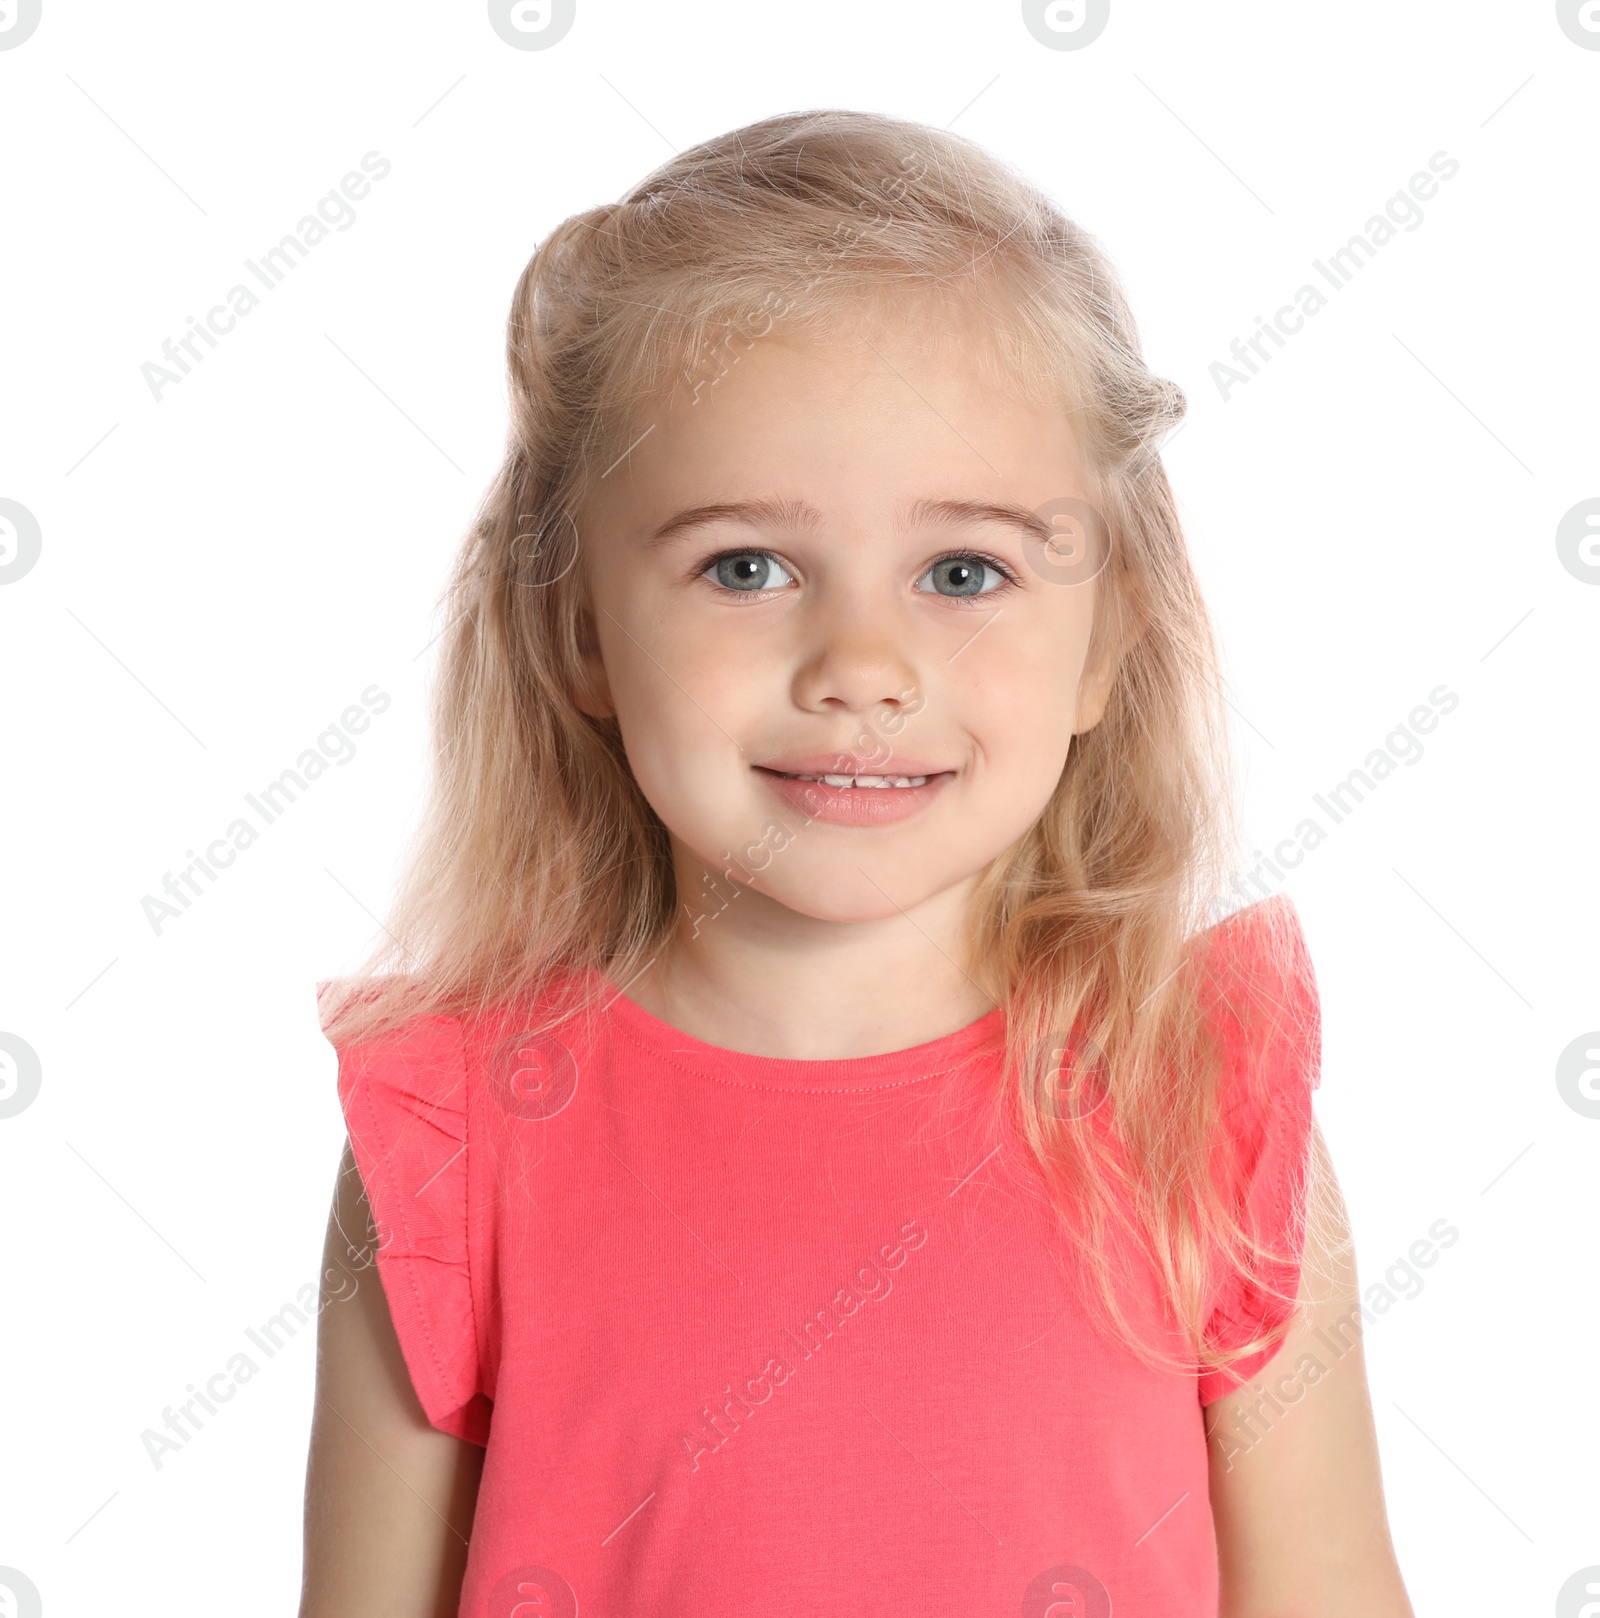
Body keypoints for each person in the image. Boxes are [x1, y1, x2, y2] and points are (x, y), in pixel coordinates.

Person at [298, 108, 1414, 1618]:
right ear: (575, 629)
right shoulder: (456, 1143)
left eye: (967, 570)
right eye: (745, 566)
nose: (863, 663)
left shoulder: (1199, 1099)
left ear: (1109, 640)